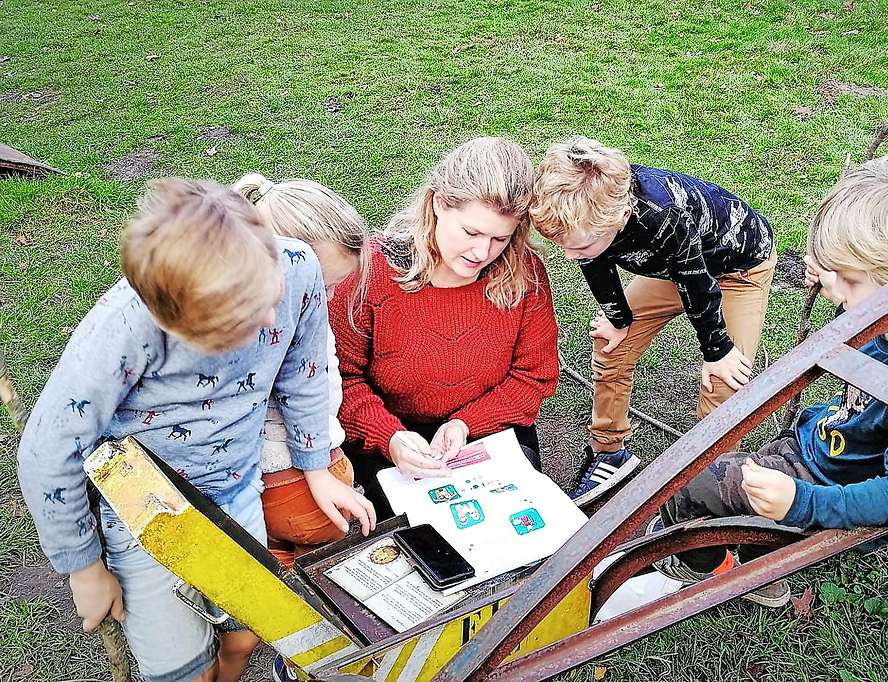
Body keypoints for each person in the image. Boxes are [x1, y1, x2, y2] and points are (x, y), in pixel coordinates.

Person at [17, 178, 348, 682]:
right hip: (144, 513)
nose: (267, 320)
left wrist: (316, 467)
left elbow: (303, 372)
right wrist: (84, 568)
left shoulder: (299, 267)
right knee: (181, 671)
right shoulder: (122, 331)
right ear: (174, 321)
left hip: (238, 488)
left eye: (268, 298)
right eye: (239, 323)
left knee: (252, 625)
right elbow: (48, 452)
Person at [651, 151, 888, 607]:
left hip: (829, 482)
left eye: (848, 280)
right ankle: (749, 553)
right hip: (816, 445)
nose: (834, 290)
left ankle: (708, 569)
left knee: (695, 487)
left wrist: (802, 502)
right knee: (716, 472)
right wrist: (837, 278)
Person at [530, 136, 777, 504]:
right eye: (563, 244)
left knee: (725, 381)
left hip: (737, 270)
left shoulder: (663, 214)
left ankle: (708, 481)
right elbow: (594, 262)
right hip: (673, 266)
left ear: (621, 217)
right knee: (612, 346)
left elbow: (698, 284)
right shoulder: (590, 221)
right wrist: (618, 318)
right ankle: (608, 452)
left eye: (578, 247)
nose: (568, 256)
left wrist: (717, 350)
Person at [332, 137, 560, 515]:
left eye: (500, 238)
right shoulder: (370, 273)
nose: (481, 253)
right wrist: (389, 437)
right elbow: (338, 378)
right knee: (419, 544)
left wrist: (465, 424)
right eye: (471, 232)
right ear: (438, 202)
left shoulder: (524, 274)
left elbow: (533, 376)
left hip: (490, 426)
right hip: (392, 432)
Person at [233, 173, 376, 568]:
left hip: (250, 485)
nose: (327, 298)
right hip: (299, 482)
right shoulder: (296, 322)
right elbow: (307, 396)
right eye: (324, 285)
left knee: (264, 578)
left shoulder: (232, 316)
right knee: (320, 574)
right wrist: (320, 470)